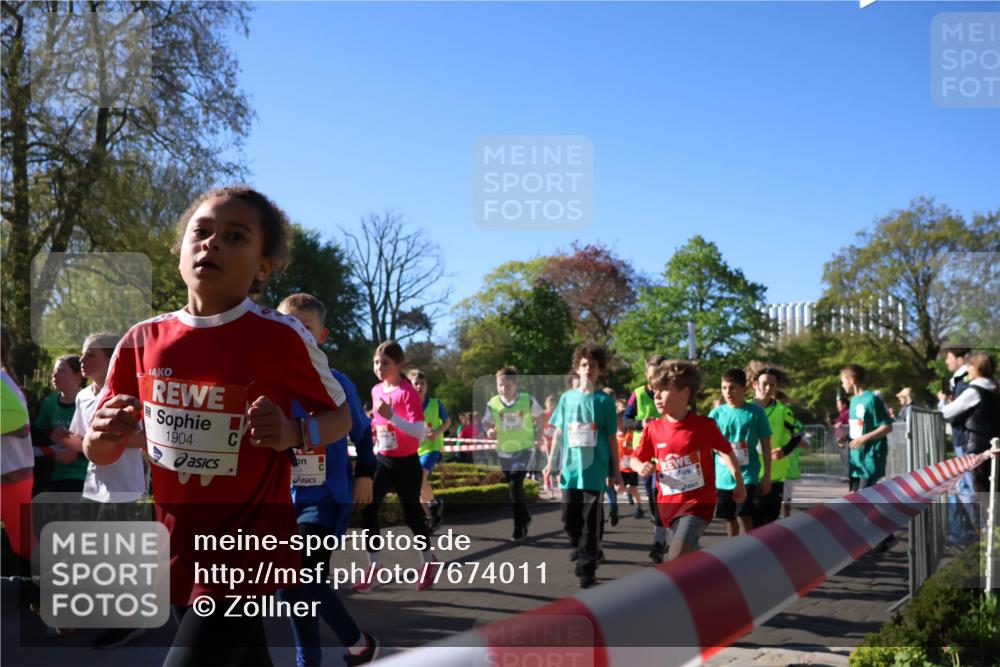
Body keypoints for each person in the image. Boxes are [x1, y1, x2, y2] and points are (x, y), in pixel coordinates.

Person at [84, 186, 354, 666]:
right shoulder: (141, 340)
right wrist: (100, 438)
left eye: (235, 236)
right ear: (181, 250)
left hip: (247, 547)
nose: (212, 244)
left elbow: (340, 418)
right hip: (179, 548)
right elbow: (102, 449)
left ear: (262, 267)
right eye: (202, 232)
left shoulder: (282, 336)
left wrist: (293, 434)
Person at [276, 294, 379, 667]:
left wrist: (366, 472)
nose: (297, 334)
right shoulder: (271, 383)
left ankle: (316, 658)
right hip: (282, 500)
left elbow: (364, 434)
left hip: (324, 498)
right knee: (292, 586)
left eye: (306, 327)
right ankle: (357, 644)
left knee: (298, 578)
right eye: (289, 325)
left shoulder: (337, 382)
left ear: (322, 335)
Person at [58, 333, 149, 649]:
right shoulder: (83, 397)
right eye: (82, 355)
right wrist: (66, 443)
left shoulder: (129, 394)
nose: (81, 361)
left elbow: (149, 438)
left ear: (111, 359)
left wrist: (112, 439)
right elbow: (82, 441)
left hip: (126, 488)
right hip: (94, 486)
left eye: (90, 355)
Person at [632, 360, 745, 561]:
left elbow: (726, 451)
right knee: (686, 559)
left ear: (684, 393)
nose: (656, 396)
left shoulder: (704, 426)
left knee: (674, 557)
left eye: (663, 390)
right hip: (668, 506)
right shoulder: (653, 429)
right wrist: (641, 466)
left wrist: (739, 482)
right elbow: (635, 459)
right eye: (655, 391)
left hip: (698, 504)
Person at [354, 340, 438, 593]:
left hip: (407, 461)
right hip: (383, 459)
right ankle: (375, 566)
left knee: (412, 514)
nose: (379, 367)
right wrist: (374, 429)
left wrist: (393, 417)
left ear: (399, 365)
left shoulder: (407, 392)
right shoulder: (376, 389)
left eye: (385, 363)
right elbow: (380, 424)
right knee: (368, 508)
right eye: (376, 362)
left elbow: (419, 431)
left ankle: (427, 560)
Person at [543, 343, 620, 588]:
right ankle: (582, 549)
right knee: (569, 519)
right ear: (577, 368)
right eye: (584, 364)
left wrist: (615, 470)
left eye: (593, 365)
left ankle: (587, 569)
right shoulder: (566, 399)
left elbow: (611, 439)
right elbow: (557, 434)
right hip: (570, 470)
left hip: (595, 472)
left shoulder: (604, 402)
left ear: (600, 370)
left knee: (591, 522)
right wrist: (549, 463)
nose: (588, 369)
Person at [709, 369, 771, 537]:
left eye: (732, 387)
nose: (728, 392)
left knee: (744, 514)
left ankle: (748, 551)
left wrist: (767, 476)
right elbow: (707, 443)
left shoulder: (756, 412)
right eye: (724, 388)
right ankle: (732, 553)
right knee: (730, 518)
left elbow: (766, 444)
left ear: (744, 388)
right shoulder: (716, 414)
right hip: (723, 475)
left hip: (748, 474)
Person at [484, 367, 544, 540]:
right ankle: (525, 516)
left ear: (516, 385)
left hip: (524, 448)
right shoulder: (493, 403)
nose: (504, 389)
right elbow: (487, 422)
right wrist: (489, 431)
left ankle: (519, 525)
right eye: (500, 385)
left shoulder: (527, 400)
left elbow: (540, 416)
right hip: (504, 450)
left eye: (508, 385)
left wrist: (539, 435)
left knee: (516, 482)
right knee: (512, 486)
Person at [623, 353, 668, 562]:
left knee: (666, 496)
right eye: (650, 377)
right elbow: (625, 421)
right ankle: (659, 535)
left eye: (657, 377)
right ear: (646, 375)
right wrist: (642, 423)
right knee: (652, 495)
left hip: (668, 452)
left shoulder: (670, 393)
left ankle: (661, 540)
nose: (654, 382)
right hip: (646, 454)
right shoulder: (638, 394)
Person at [747, 363, 800, 526]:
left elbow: (797, 435)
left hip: (774, 476)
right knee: (749, 522)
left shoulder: (783, 411)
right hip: (748, 474)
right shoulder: (744, 408)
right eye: (765, 383)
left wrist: (785, 450)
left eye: (773, 384)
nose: (768, 388)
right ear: (754, 384)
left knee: (769, 522)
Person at [1, 327, 35, 568]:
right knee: (22, 544)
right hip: (12, 473)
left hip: (11, 476)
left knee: (24, 544)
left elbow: (17, 418)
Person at [942, 352, 998, 495]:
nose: (967, 369)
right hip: (992, 446)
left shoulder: (974, 391)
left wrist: (943, 402)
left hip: (979, 449)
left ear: (977, 367)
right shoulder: (994, 388)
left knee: (983, 492)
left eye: (970, 365)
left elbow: (946, 412)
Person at [34, 355, 87, 494]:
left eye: (61, 371)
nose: (54, 375)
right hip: (54, 475)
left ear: (78, 376)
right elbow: (37, 435)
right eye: (54, 371)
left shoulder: (88, 402)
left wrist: (77, 453)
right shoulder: (49, 403)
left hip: (83, 476)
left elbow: (101, 442)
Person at [408, 369, 451, 531]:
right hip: (415, 450)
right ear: (410, 387)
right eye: (416, 384)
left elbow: (447, 422)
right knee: (416, 486)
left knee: (420, 475)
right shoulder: (407, 406)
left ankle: (434, 504)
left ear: (427, 386)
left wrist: (437, 432)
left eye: (422, 384)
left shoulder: (435, 403)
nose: (419, 386)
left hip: (432, 448)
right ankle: (431, 516)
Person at [615, 398, 643, 518]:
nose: (618, 423)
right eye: (616, 420)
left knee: (633, 488)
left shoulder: (631, 432)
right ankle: (625, 497)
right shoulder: (614, 434)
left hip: (631, 466)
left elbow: (637, 444)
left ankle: (639, 508)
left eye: (620, 420)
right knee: (619, 489)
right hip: (621, 467)